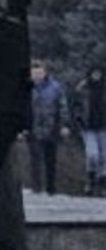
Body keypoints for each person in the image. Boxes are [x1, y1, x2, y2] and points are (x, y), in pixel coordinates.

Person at [30, 61, 72, 194]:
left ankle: (51, 187)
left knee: (51, 159)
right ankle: (37, 187)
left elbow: (62, 106)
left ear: (45, 72)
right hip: (34, 127)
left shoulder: (55, 87)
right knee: (35, 159)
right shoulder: (28, 88)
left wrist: (64, 124)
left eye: (39, 72)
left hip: (52, 127)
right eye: (34, 73)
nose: (37, 75)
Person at [82, 67, 106, 196]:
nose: (96, 76)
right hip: (88, 128)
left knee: (104, 157)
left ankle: (102, 185)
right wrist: (78, 120)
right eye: (94, 73)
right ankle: (90, 180)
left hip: (104, 127)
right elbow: (75, 104)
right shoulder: (83, 87)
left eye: (99, 73)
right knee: (93, 155)